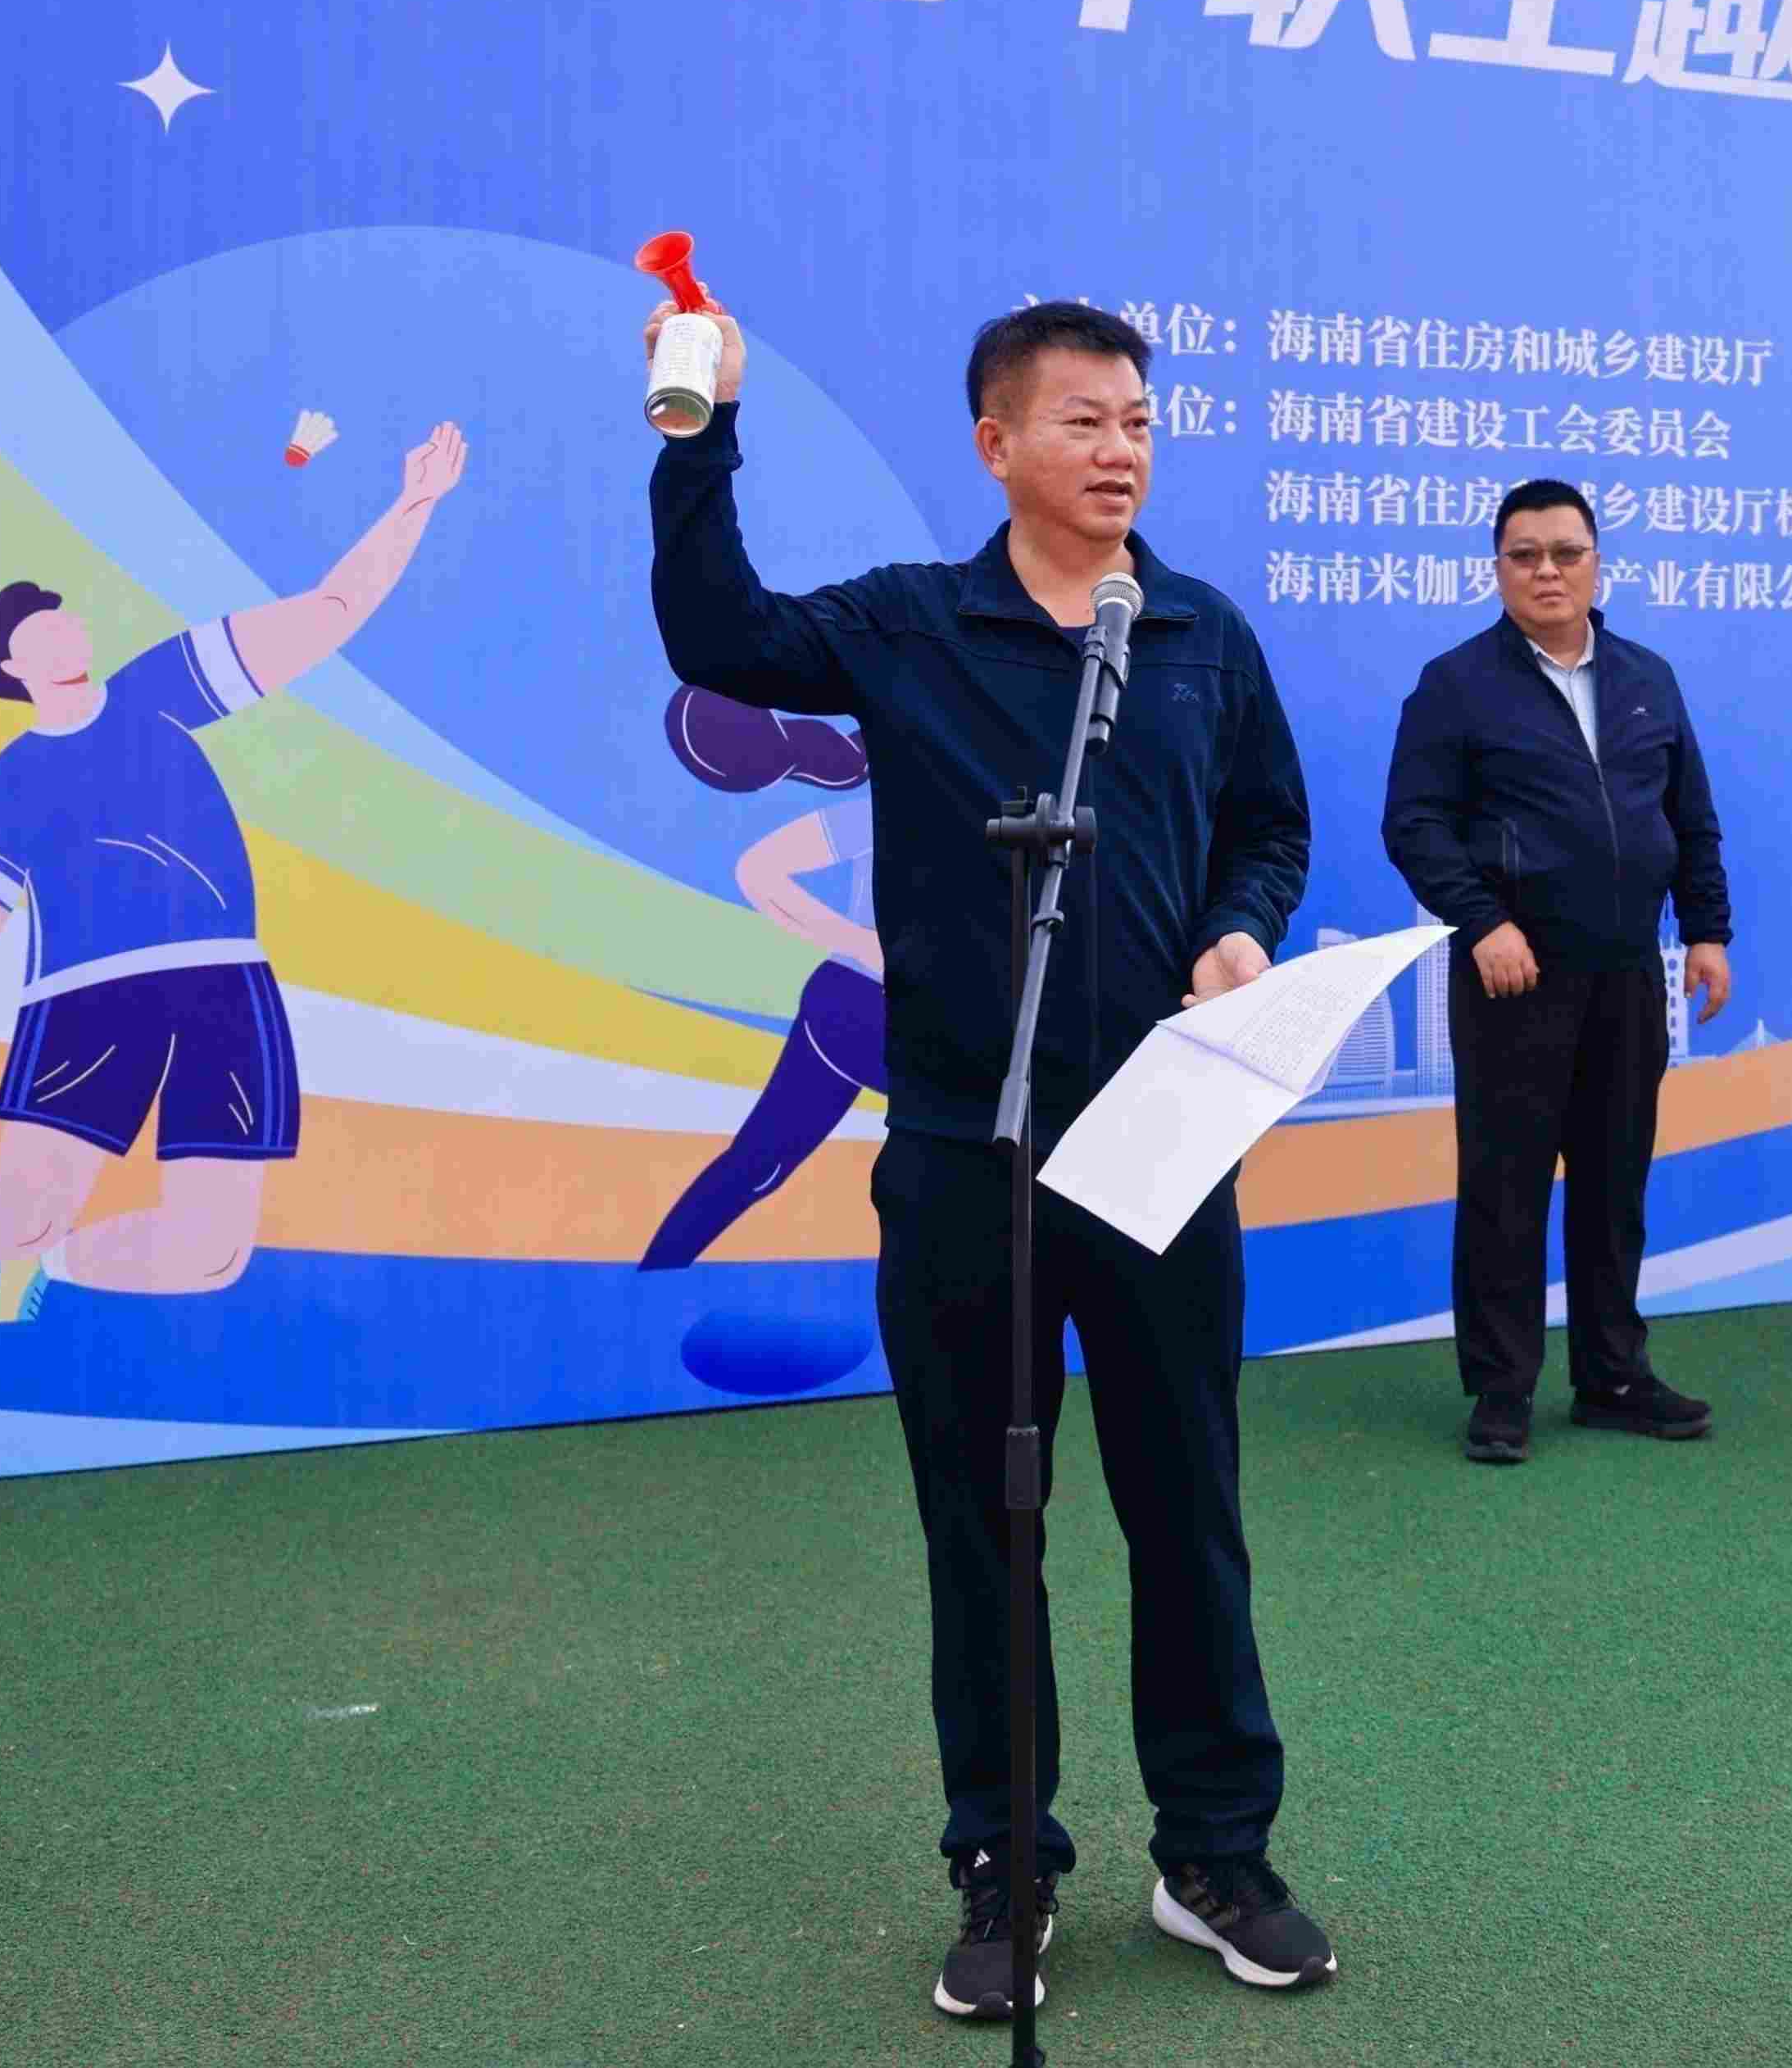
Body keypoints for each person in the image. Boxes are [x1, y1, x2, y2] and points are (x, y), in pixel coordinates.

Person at [646, 296, 1333, 2020]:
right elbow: (719, 634)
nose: (1120, 449)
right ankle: (1005, 1863)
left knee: (1188, 1506)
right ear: (997, 442)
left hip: (1163, 1137)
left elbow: (1269, 822)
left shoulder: (1199, 633)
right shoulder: (910, 625)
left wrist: (1242, 929)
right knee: (983, 1524)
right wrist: (698, 428)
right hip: (968, 1146)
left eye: (1139, 421)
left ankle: (1216, 1851)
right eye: (1084, 420)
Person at [0, 426, 470, 1321]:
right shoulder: (4, 790)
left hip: (224, 988)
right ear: (11, 669)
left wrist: (412, 503)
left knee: (210, 1258)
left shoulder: (160, 688)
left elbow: (328, 612)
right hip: (88, 1002)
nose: (67, 631)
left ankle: (47, 1263)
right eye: (41, 629)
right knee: (16, 1210)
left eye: (66, 618)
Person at [1381, 478, 1733, 1466]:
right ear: (1496, 569)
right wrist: (1483, 922)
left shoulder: (1646, 678)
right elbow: (1414, 824)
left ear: (1596, 562)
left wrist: (1706, 931)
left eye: (1565, 553)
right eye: (1524, 555)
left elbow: (1689, 817)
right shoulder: (1456, 684)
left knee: (1615, 1181)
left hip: (1628, 970)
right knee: (1505, 1186)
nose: (1547, 571)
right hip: (1514, 975)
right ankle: (1501, 1389)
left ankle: (1613, 1375)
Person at [637, 689, 883, 1272]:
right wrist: (864, 945)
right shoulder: (885, 812)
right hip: (859, 1012)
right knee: (758, 1166)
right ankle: (658, 1275)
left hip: (945, 1021)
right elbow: (760, 870)